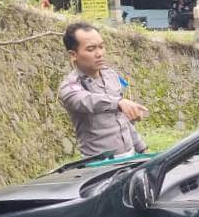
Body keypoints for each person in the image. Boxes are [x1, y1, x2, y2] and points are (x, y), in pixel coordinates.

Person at [58, 22, 149, 158]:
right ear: (73, 55)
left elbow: (122, 119)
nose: (99, 53)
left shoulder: (110, 75)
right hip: (101, 165)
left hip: (130, 156)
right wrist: (118, 103)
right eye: (91, 49)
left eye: (101, 46)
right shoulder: (70, 86)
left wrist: (141, 148)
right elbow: (87, 101)